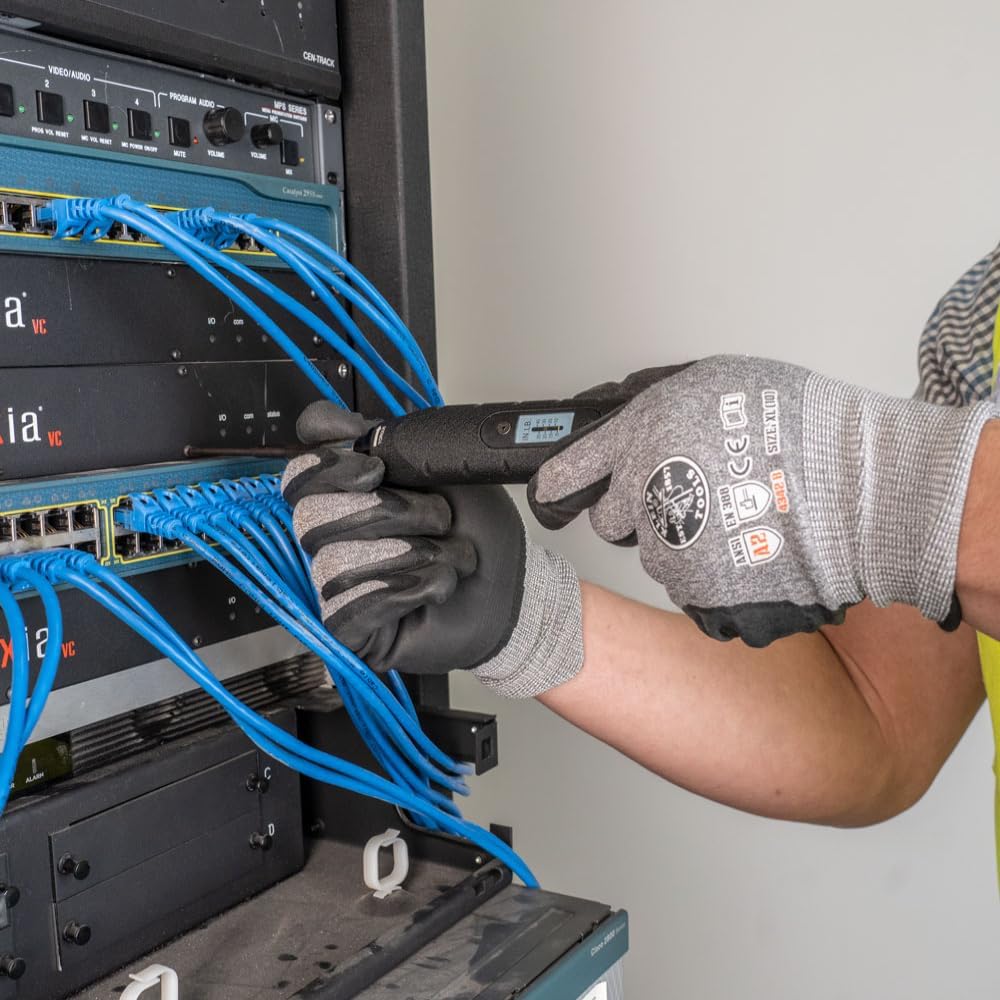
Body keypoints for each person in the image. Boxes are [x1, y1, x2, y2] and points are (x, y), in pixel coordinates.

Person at [281, 245, 1000, 854]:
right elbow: (878, 720)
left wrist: (880, 480)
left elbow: (929, 515)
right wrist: (529, 620)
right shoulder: (982, 317)